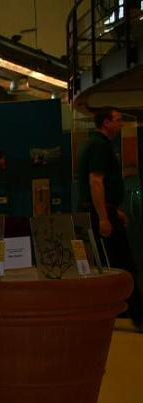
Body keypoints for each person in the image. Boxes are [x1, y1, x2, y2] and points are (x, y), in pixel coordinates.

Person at [78, 106, 143, 330]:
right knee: (124, 265)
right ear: (106, 122)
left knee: (111, 265)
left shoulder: (97, 144)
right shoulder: (100, 146)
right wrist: (104, 217)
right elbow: (96, 182)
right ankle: (138, 316)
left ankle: (120, 313)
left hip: (102, 210)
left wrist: (114, 211)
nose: (121, 123)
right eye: (117, 119)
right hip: (100, 213)